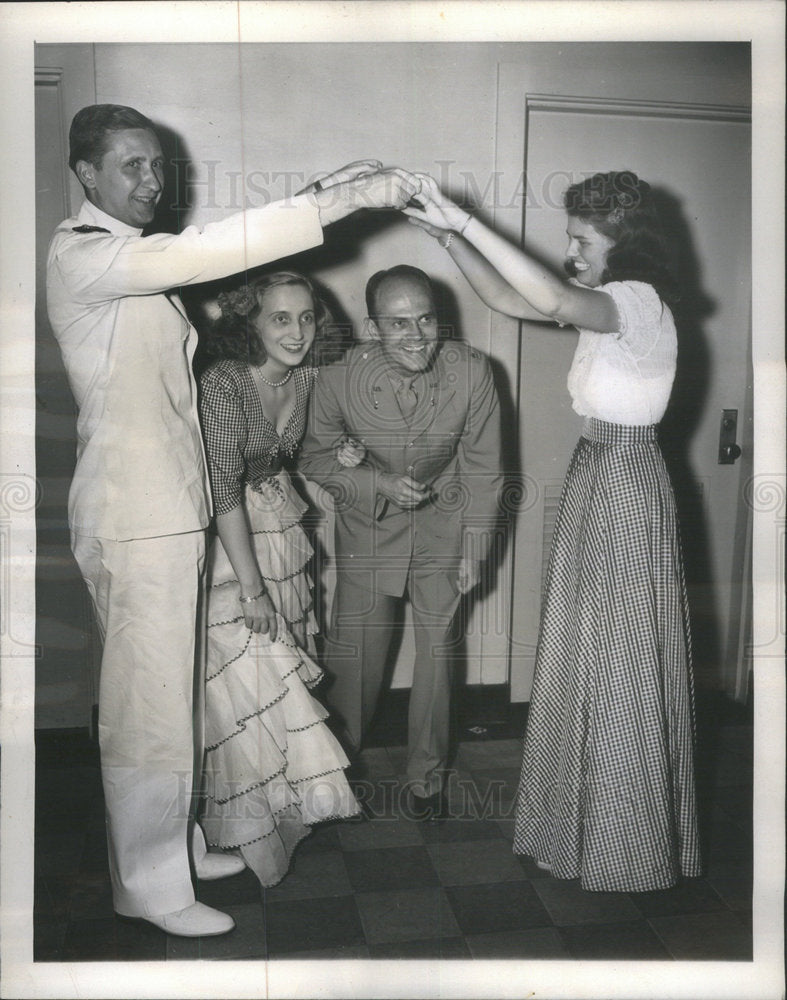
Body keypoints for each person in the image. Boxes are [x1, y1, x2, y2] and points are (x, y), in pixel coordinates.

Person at [45, 102, 420, 937]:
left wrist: (330, 185)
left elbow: (205, 254)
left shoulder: (133, 259)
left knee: (173, 702)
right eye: (131, 167)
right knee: (144, 709)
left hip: (169, 513)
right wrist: (339, 202)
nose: (151, 181)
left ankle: (173, 850)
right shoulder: (86, 255)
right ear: (88, 176)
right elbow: (214, 250)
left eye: (158, 166)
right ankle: (147, 887)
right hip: (133, 514)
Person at [405, 170, 701, 890]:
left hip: (623, 477)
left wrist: (466, 221)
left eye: (582, 239)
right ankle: (579, 834)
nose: (572, 251)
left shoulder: (633, 300)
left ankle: (624, 848)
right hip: (598, 469)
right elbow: (509, 297)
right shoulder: (612, 305)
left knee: (620, 661)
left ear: (622, 245)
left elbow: (552, 295)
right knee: (587, 653)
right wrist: (452, 238)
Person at [298, 265, 502, 820]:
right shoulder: (338, 378)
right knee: (356, 659)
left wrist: (476, 548)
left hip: (445, 530)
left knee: (437, 657)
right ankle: (336, 769)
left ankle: (427, 778)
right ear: (372, 327)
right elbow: (314, 458)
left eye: (427, 319)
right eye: (399, 324)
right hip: (368, 532)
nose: (417, 337)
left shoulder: (474, 372)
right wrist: (378, 482)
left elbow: (484, 469)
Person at [197, 270, 360, 886]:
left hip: (284, 533)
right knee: (248, 678)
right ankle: (245, 833)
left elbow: (309, 453)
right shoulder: (223, 382)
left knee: (278, 679)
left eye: (306, 318)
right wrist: (252, 588)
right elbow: (221, 491)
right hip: (230, 548)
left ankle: (280, 815)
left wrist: (339, 455)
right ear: (251, 324)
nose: (296, 332)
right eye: (280, 319)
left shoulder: (310, 376)